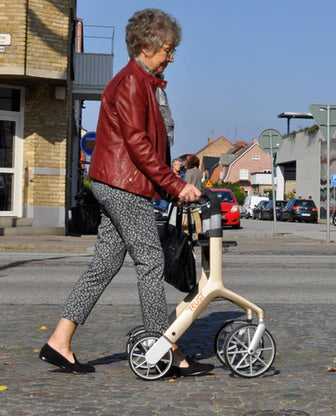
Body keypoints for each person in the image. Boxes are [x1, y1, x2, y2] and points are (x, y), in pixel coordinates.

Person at [39, 8, 214, 377]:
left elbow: (141, 144)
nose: (170, 57)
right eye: (167, 49)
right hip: (124, 185)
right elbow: (138, 144)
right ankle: (163, 351)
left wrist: (169, 184)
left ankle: (59, 340)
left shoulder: (139, 80)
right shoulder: (133, 82)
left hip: (114, 182)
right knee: (151, 262)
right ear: (148, 45)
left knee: (104, 264)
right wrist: (175, 185)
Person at [184, 155, 203, 236]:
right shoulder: (200, 172)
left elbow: (186, 184)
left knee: (186, 214)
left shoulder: (189, 172)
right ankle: (199, 233)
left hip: (189, 195)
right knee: (196, 215)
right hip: (197, 195)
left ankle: (186, 232)